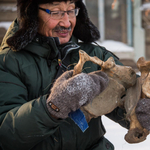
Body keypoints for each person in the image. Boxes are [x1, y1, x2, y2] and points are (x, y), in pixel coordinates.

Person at [0, 0, 144, 149]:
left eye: (70, 11)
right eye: (56, 12)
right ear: (32, 14)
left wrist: (142, 109)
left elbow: (129, 99)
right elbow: (6, 136)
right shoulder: (8, 62)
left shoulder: (94, 55)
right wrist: (53, 107)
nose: (67, 23)